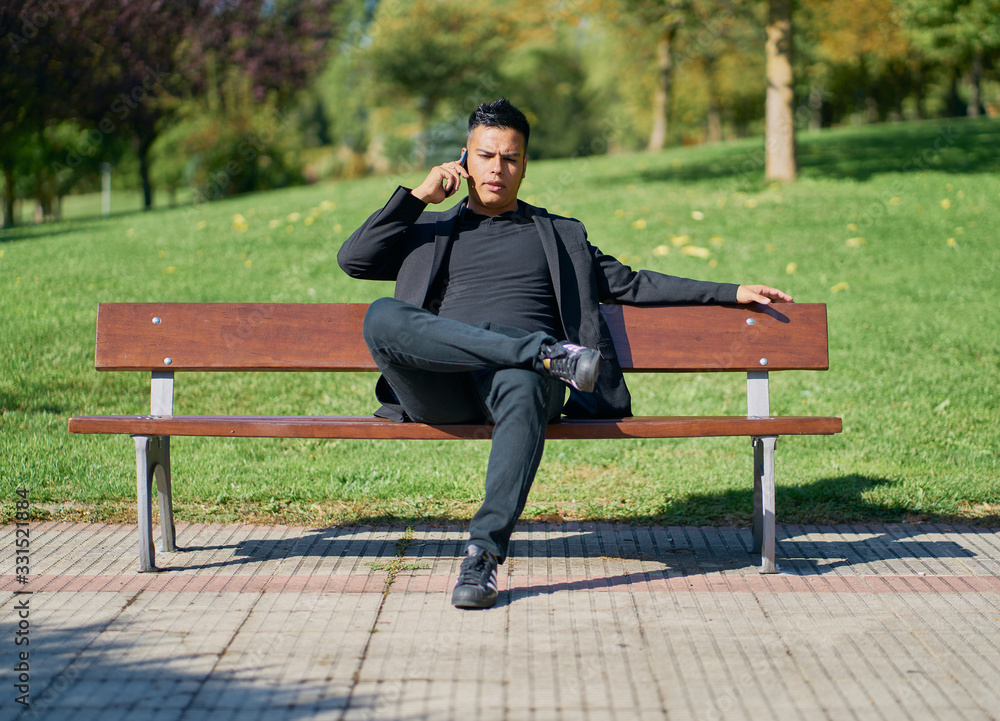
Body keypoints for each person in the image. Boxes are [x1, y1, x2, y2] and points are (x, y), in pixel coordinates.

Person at [338, 98, 791, 609]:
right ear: (464, 158)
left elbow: (634, 284)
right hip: (443, 385)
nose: (497, 168)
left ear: (526, 164)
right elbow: (355, 259)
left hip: (522, 386)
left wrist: (729, 291)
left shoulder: (560, 235)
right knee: (381, 314)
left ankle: (483, 556)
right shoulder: (432, 232)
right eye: (486, 156)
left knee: (524, 380)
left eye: (510, 158)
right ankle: (541, 351)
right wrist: (419, 196)